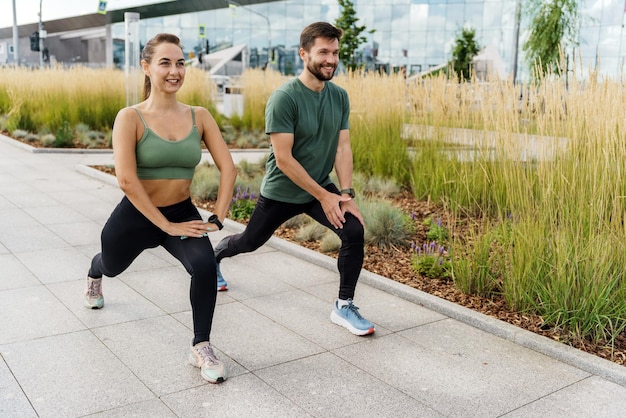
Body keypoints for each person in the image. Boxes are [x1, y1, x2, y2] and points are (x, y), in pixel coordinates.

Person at [84, 33, 237, 384]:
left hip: (181, 212)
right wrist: (164, 227)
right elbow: (125, 179)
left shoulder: (200, 115)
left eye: (180, 63)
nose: (174, 70)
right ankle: (94, 273)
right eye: (165, 62)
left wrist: (217, 218)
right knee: (111, 265)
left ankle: (201, 345)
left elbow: (229, 168)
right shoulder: (130, 117)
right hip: (136, 215)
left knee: (204, 265)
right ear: (147, 67)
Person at [214, 22, 375, 336]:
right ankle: (214, 256)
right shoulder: (284, 97)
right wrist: (325, 196)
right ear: (304, 54)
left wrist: (344, 193)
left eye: (335, 52)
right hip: (282, 190)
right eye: (323, 52)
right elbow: (284, 159)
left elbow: (343, 147)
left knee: (353, 231)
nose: (331, 59)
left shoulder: (339, 96)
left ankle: (344, 306)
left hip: (320, 187)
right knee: (249, 242)